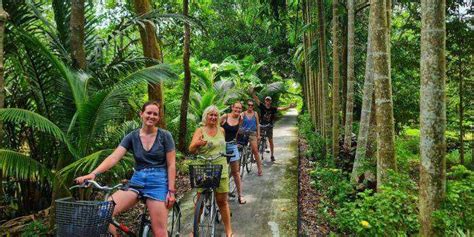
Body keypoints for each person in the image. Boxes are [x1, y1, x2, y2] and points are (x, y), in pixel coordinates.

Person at [75, 101, 176, 237]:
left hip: (158, 182)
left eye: (155, 114)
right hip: (137, 181)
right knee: (104, 211)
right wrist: (93, 173)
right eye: (148, 113)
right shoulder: (132, 137)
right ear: (141, 114)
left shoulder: (165, 136)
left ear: (158, 118)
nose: (151, 116)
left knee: (159, 232)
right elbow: (114, 157)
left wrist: (171, 191)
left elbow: (171, 164)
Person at [189, 105, 233, 237]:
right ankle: (194, 230)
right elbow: (191, 149)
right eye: (210, 115)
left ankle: (229, 231)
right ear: (206, 116)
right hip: (203, 167)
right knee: (199, 202)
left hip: (220, 166)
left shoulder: (222, 130)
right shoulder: (200, 130)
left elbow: (223, 148)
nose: (213, 117)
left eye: (215, 115)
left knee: (222, 202)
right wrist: (197, 144)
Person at [251, 90, 295, 162]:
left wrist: (289, 106)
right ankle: (254, 155)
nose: (267, 102)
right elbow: (256, 99)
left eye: (269, 100)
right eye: (266, 100)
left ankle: (272, 155)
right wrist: (252, 92)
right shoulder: (262, 106)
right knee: (258, 139)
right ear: (265, 101)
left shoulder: (273, 108)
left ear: (270, 102)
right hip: (261, 125)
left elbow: (281, 108)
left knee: (270, 140)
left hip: (269, 126)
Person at [221, 101, 246, 204]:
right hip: (221, 146)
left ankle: (240, 195)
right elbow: (215, 128)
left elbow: (236, 132)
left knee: (236, 172)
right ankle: (222, 195)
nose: (238, 110)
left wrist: (236, 143)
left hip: (232, 145)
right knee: (222, 172)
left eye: (240, 109)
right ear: (232, 107)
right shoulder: (225, 117)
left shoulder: (240, 119)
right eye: (236, 108)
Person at [240, 99, 263, 176]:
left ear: (253, 106)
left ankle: (259, 168)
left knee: (255, 151)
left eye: (252, 105)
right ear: (247, 105)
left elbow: (257, 125)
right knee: (239, 149)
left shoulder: (255, 113)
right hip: (243, 133)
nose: (250, 106)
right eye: (249, 105)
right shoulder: (243, 114)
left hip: (253, 133)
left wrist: (258, 135)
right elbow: (239, 123)